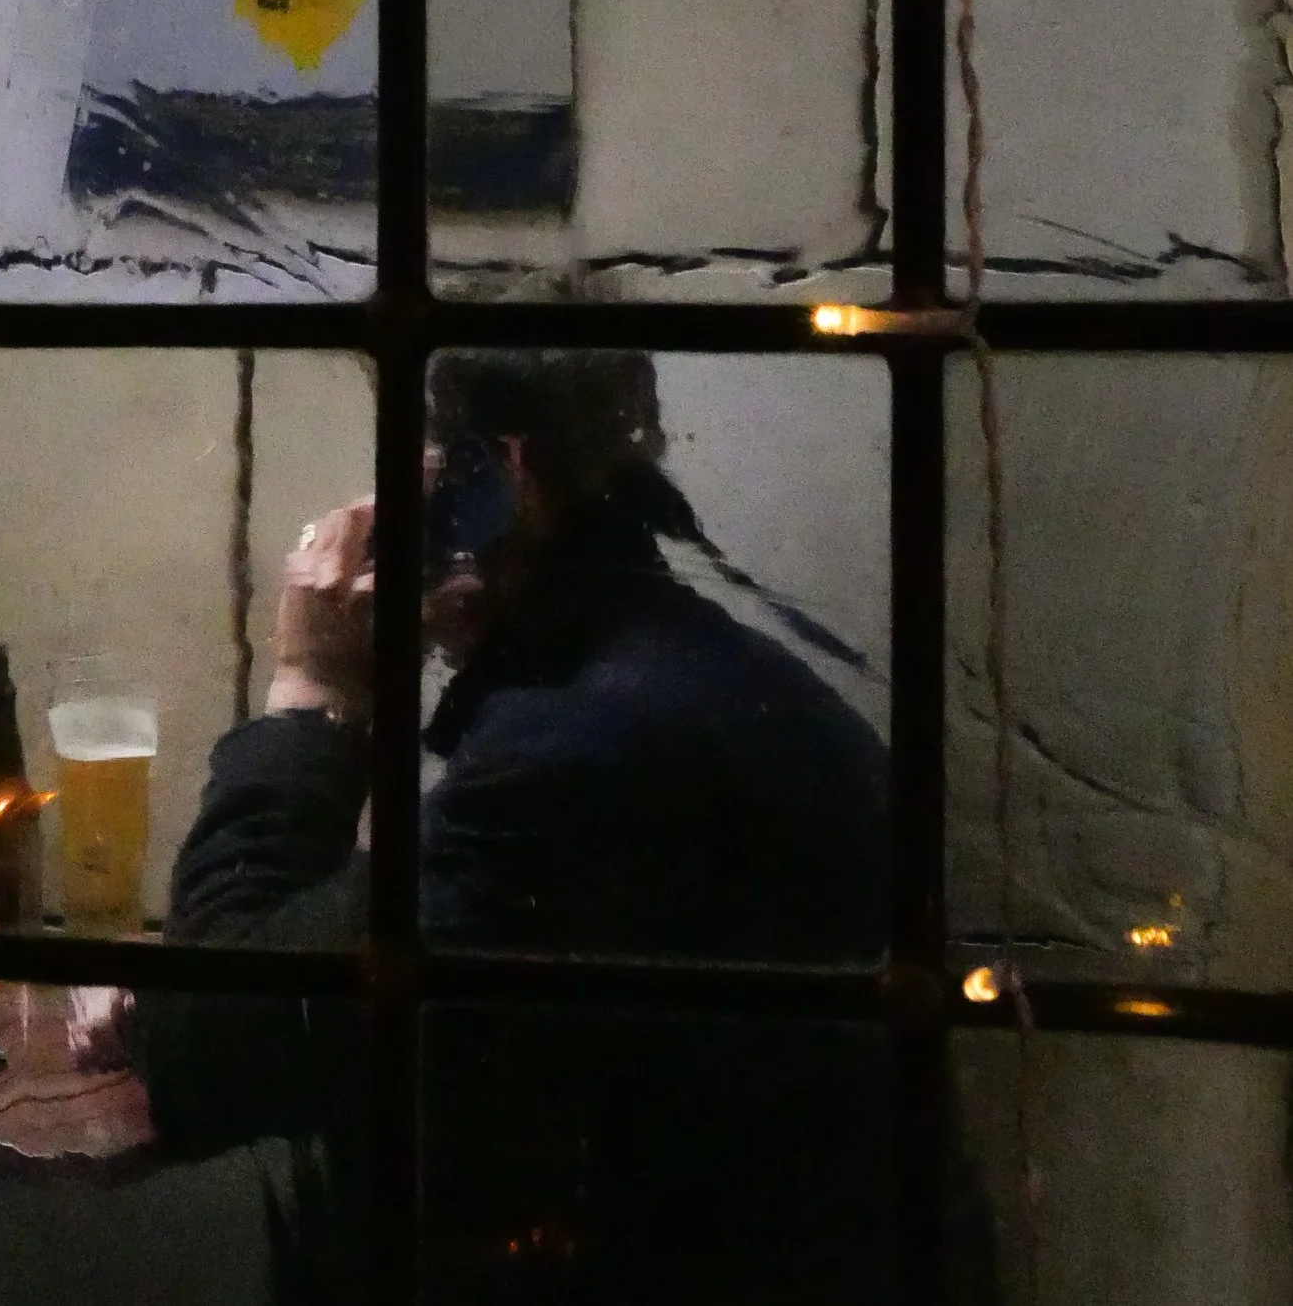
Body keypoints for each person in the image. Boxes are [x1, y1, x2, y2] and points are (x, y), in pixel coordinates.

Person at [102, 351, 904, 1306]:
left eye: (423, 472)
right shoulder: (713, 679)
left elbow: (216, 1045)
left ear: (505, 475)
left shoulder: (575, 751)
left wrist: (312, 688)